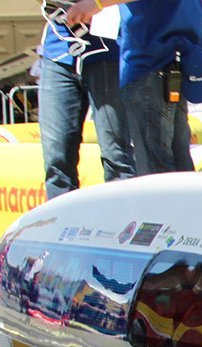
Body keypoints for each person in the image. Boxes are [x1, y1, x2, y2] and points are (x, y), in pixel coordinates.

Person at [66, 0, 202, 175]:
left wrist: (97, 4)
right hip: (172, 57)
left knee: (156, 170)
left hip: (150, 61)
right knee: (178, 163)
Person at [37, 0, 135, 200]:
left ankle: (124, 221)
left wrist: (97, 4)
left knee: (116, 154)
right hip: (59, 50)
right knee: (56, 154)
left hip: (108, 50)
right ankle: (59, 222)